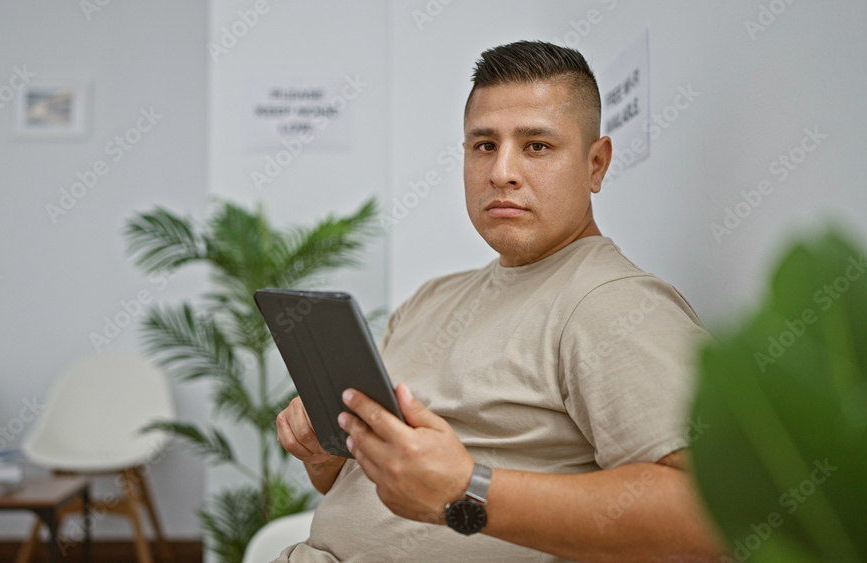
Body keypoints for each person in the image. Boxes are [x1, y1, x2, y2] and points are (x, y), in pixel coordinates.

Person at [274, 40, 723, 562]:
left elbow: (711, 516)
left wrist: (468, 488)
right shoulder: (430, 299)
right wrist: (328, 460)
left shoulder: (612, 303)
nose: (501, 172)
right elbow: (389, 495)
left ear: (596, 165)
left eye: (536, 146)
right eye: (484, 145)